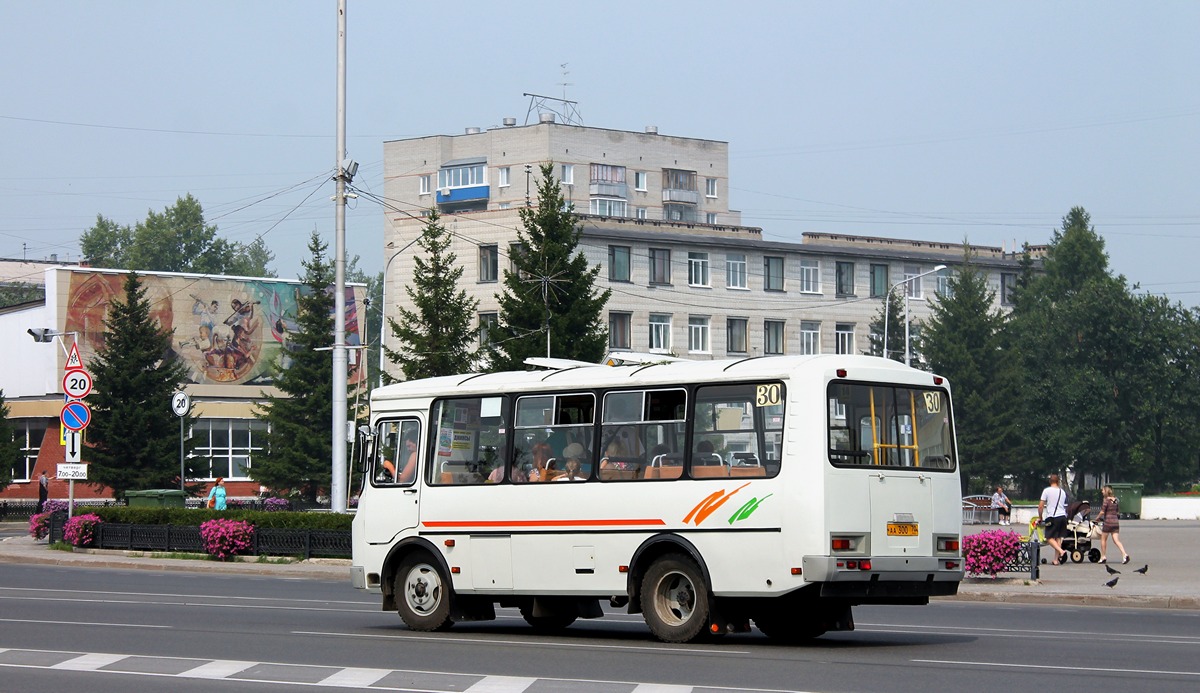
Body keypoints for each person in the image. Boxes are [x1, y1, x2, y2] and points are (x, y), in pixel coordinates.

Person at [1037, 473, 1069, 565]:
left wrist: (1040, 517)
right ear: (1058, 481)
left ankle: (1061, 551)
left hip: (1052, 517)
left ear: (1050, 481)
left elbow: (1041, 506)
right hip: (1062, 516)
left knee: (1049, 537)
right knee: (1058, 537)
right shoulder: (1062, 492)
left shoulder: (1047, 491)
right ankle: (1056, 559)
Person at [1097, 485, 1130, 565]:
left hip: (1108, 522)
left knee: (1103, 539)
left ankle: (1103, 556)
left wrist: (1097, 518)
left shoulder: (1106, 500)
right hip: (1115, 522)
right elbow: (1117, 511)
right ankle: (1124, 554)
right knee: (1116, 540)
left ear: (1106, 492)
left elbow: (1102, 511)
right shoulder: (1115, 500)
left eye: (1103, 490)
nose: (1102, 492)